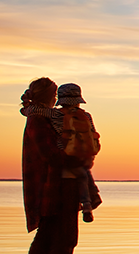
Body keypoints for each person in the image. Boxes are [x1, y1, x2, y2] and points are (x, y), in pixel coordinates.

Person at [20, 77, 85, 254]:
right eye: (54, 92)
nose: (56, 97)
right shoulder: (38, 120)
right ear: (47, 95)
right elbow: (50, 155)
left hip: (60, 185)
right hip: (53, 187)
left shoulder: (48, 117)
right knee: (61, 240)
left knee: (52, 239)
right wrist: (77, 158)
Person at [22, 83, 102, 222]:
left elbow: (34, 112)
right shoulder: (87, 116)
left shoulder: (55, 114)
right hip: (83, 158)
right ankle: (88, 205)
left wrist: (26, 106)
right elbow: (95, 137)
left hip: (66, 159)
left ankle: (88, 205)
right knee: (84, 177)